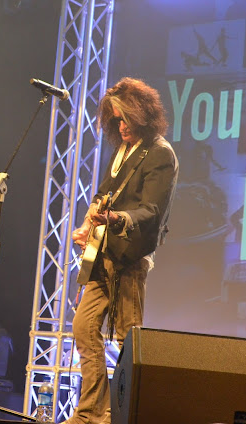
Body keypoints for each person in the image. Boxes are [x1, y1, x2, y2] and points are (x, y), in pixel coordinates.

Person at [66, 77, 179, 424]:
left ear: (142, 114)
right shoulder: (123, 152)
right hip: (102, 254)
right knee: (84, 329)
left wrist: (116, 219)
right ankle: (91, 413)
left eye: (125, 118)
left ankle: (130, 416)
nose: (121, 126)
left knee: (128, 341)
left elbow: (151, 211)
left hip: (130, 258)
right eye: (115, 120)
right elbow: (103, 195)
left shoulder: (160, 154)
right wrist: (86, 226)